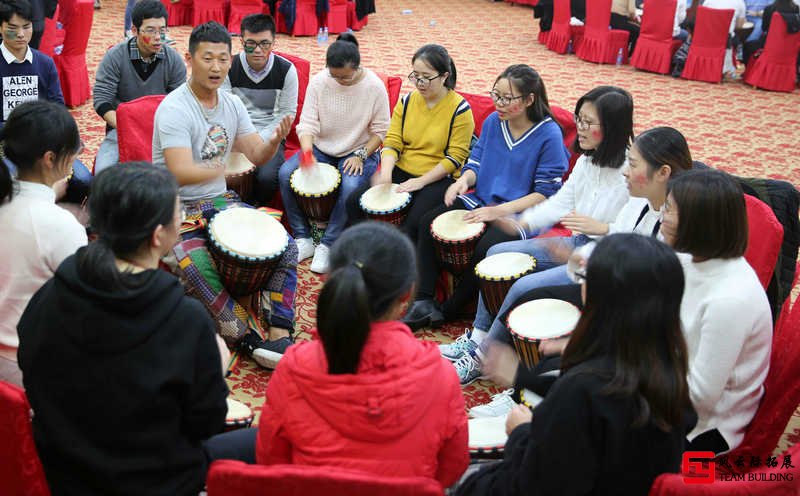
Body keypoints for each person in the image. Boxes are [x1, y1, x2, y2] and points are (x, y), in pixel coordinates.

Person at [18, 163, 253, 496]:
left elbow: (31, 368)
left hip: (64, 472)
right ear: (159, 236)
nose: (182, 215)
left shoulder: (50, 294)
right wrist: (215, 364)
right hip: (157, 481)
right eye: (178, 211)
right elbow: (207, 421)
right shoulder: (186, 321)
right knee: (260, 442)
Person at [468, 126, 694, 417]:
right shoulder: (641, 201)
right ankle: (495, 363)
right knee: (530, 290)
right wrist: (576, 257)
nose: (627, 171)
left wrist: (585, 264)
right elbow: (614, 249)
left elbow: (634, 275)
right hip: (609, 283)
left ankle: (513, 381)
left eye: (634, 165)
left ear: (662, 172)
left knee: (530, 295)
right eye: (580, 120)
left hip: (625, 304)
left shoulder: (674, 225)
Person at [455, 233, 697, 496]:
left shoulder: (582, 390)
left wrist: (521, 433)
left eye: (584, 278)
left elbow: (536, 485)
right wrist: (522, 375)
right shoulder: (667, 367)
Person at [443, 86, 633, 385]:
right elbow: (559, 203)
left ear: (612, 127)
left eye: (588, 122)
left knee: (522, 286)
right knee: (498, 254)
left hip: (601, 261)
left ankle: (484, 356)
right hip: (577, 244)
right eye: (578, 119)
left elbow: (635, 237)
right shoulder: (586, 161)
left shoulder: (629, 174)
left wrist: (602, 230)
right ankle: (478, 335)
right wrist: (523, 222)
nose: (579, 129)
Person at [256, 222, 469, 488]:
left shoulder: (294, 366)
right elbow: (450, 471)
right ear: (407, 294)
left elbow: (272, 463)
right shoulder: (441, 375)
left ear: (328, 280)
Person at [152, 21, 297, 369]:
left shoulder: (231, 104)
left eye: (223, 59)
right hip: (176, 206)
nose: (216, 67)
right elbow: (180, 171)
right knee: (193, 260)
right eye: (208, 58)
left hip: (219, 201)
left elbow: (257, 155)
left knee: (285, 244)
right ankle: (245, 336)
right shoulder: (174, 108)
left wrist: (274, 141)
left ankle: (280, 330)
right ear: (190, 59)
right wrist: (223, 169)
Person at [403, 65, 569, 330]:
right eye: (496, 95)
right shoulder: (494, 122)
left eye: (506, 98)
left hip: (521, 211)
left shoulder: (548, 133)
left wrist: (499, 211)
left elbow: (544, 193)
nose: (498, 104)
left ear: (529, 99)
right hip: (481, 199)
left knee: (487, 248)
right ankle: (423, 300)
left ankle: (450, 309)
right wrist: (462, 181)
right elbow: (476, 163)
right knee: (428, 222)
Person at [660, 169, 771, 454]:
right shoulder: (690, 258)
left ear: (697, 224)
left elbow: (698, 398)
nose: (661, 217)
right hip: (668, 379)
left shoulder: (730, 300)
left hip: (701, 430)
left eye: (669, 209)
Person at [278, 33, 389, 273]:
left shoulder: (374, 87)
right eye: (334, 75)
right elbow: (307, 123)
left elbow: (381, 131)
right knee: (286, 173)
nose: (339, 81)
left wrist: (361, 155)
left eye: (345, 77)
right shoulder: (320, 82)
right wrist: (307, 153)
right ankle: (302, 237)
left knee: (350, 187)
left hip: (359, 150)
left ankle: (328, 244)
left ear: (357, 67)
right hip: (323, 147)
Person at [346, 44, 474, 244]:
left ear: (444, 76)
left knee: (414, 222)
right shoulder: (407, 101)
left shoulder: (460, 109)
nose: (420, 83)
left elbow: (455, 158)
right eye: (415, 76)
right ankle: (359, 254)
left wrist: (421, 181)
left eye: (426, 77)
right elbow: (393, 141)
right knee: (355, 201)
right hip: (403, 169)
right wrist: (387, 173)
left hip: (438, 177)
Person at [0, 101, 86, 349]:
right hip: (26, 356)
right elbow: (80, 305)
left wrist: (48, 193)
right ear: (50, 158)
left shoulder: (7, 197)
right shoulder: (61, 225)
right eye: (75, 149)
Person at [0, 0, 91, 203]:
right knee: (14, 184)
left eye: (26, 26)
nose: (21, 34)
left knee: (82, 180)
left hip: (44, 142)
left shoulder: (44, 63)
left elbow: (57, 107)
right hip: (6, 144)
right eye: (13, 28)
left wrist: (69, 139)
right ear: (1, 28)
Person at [93, 0, 186, 174]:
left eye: (163, 30)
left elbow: (181, 102)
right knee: (103, 174)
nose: (158, 37)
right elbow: (101, 100)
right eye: (150, 30)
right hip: (120, 131)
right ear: (134, 30)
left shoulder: (173, 60)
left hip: (161, 132)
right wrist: (127, 128)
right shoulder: (115, 56)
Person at [222, 13, 298, 205]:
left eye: (264, 44)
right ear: (241, 41)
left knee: (267, 178)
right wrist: (245, 137)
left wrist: (261, 139)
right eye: (250, 43)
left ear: (274, 42)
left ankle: (254, 209)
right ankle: (230, 210)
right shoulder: (228, 66)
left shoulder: (287, 70)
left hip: (271, 135)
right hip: (236, 133)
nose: (257, 50)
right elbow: (224, 107)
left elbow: (287, 112)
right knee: (224, 173)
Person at [703, 0, 747, 76]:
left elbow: (703, 18)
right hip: (725, 38)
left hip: (706, 35)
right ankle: (726, 66)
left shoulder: (708, 1)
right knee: (736, 39)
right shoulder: (740, 2)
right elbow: (739, 26)